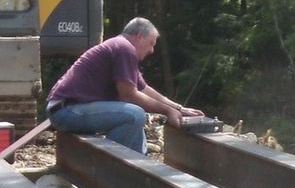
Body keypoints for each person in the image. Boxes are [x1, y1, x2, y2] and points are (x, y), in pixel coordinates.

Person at [45, 17, 201, 154]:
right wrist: (168, 111)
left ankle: (141, 167)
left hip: (68, 109)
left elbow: (144, 89)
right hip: (66, 111)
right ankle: (111, 168)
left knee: (134, 118)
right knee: (134, 114)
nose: (152, 50)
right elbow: (129, 95)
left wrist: (178, 108)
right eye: (151, 43)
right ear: (139, 36)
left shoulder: (119, 47)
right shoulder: (124, 48)